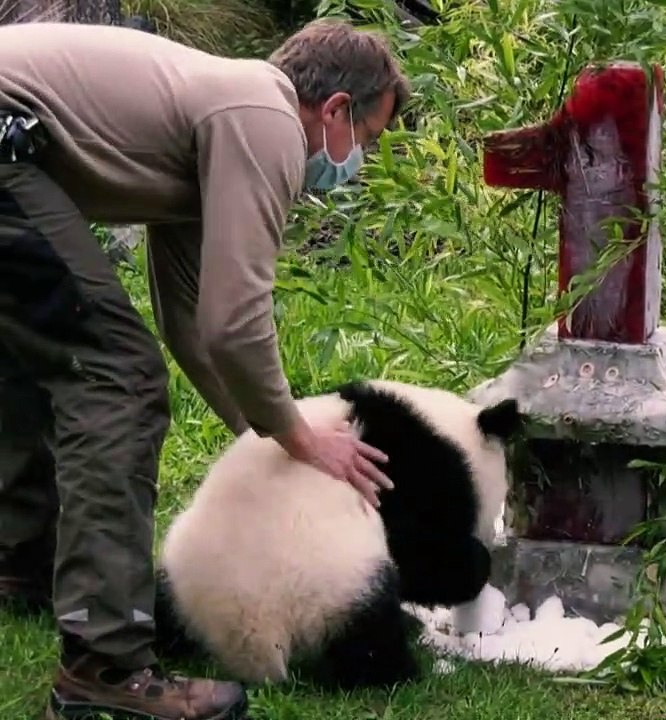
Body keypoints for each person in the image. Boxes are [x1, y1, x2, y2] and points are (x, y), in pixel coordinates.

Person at [0, 17, 409, 720]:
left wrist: (261, 439)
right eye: (366, 139)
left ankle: (20, 570)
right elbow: (236, 324)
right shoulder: (265, 117)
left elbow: (193, 323)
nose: (358, 161)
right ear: (336, 108)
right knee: (117, 377)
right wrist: (300, 436)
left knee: (41, 345)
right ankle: (105, 665)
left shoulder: (214, 117)